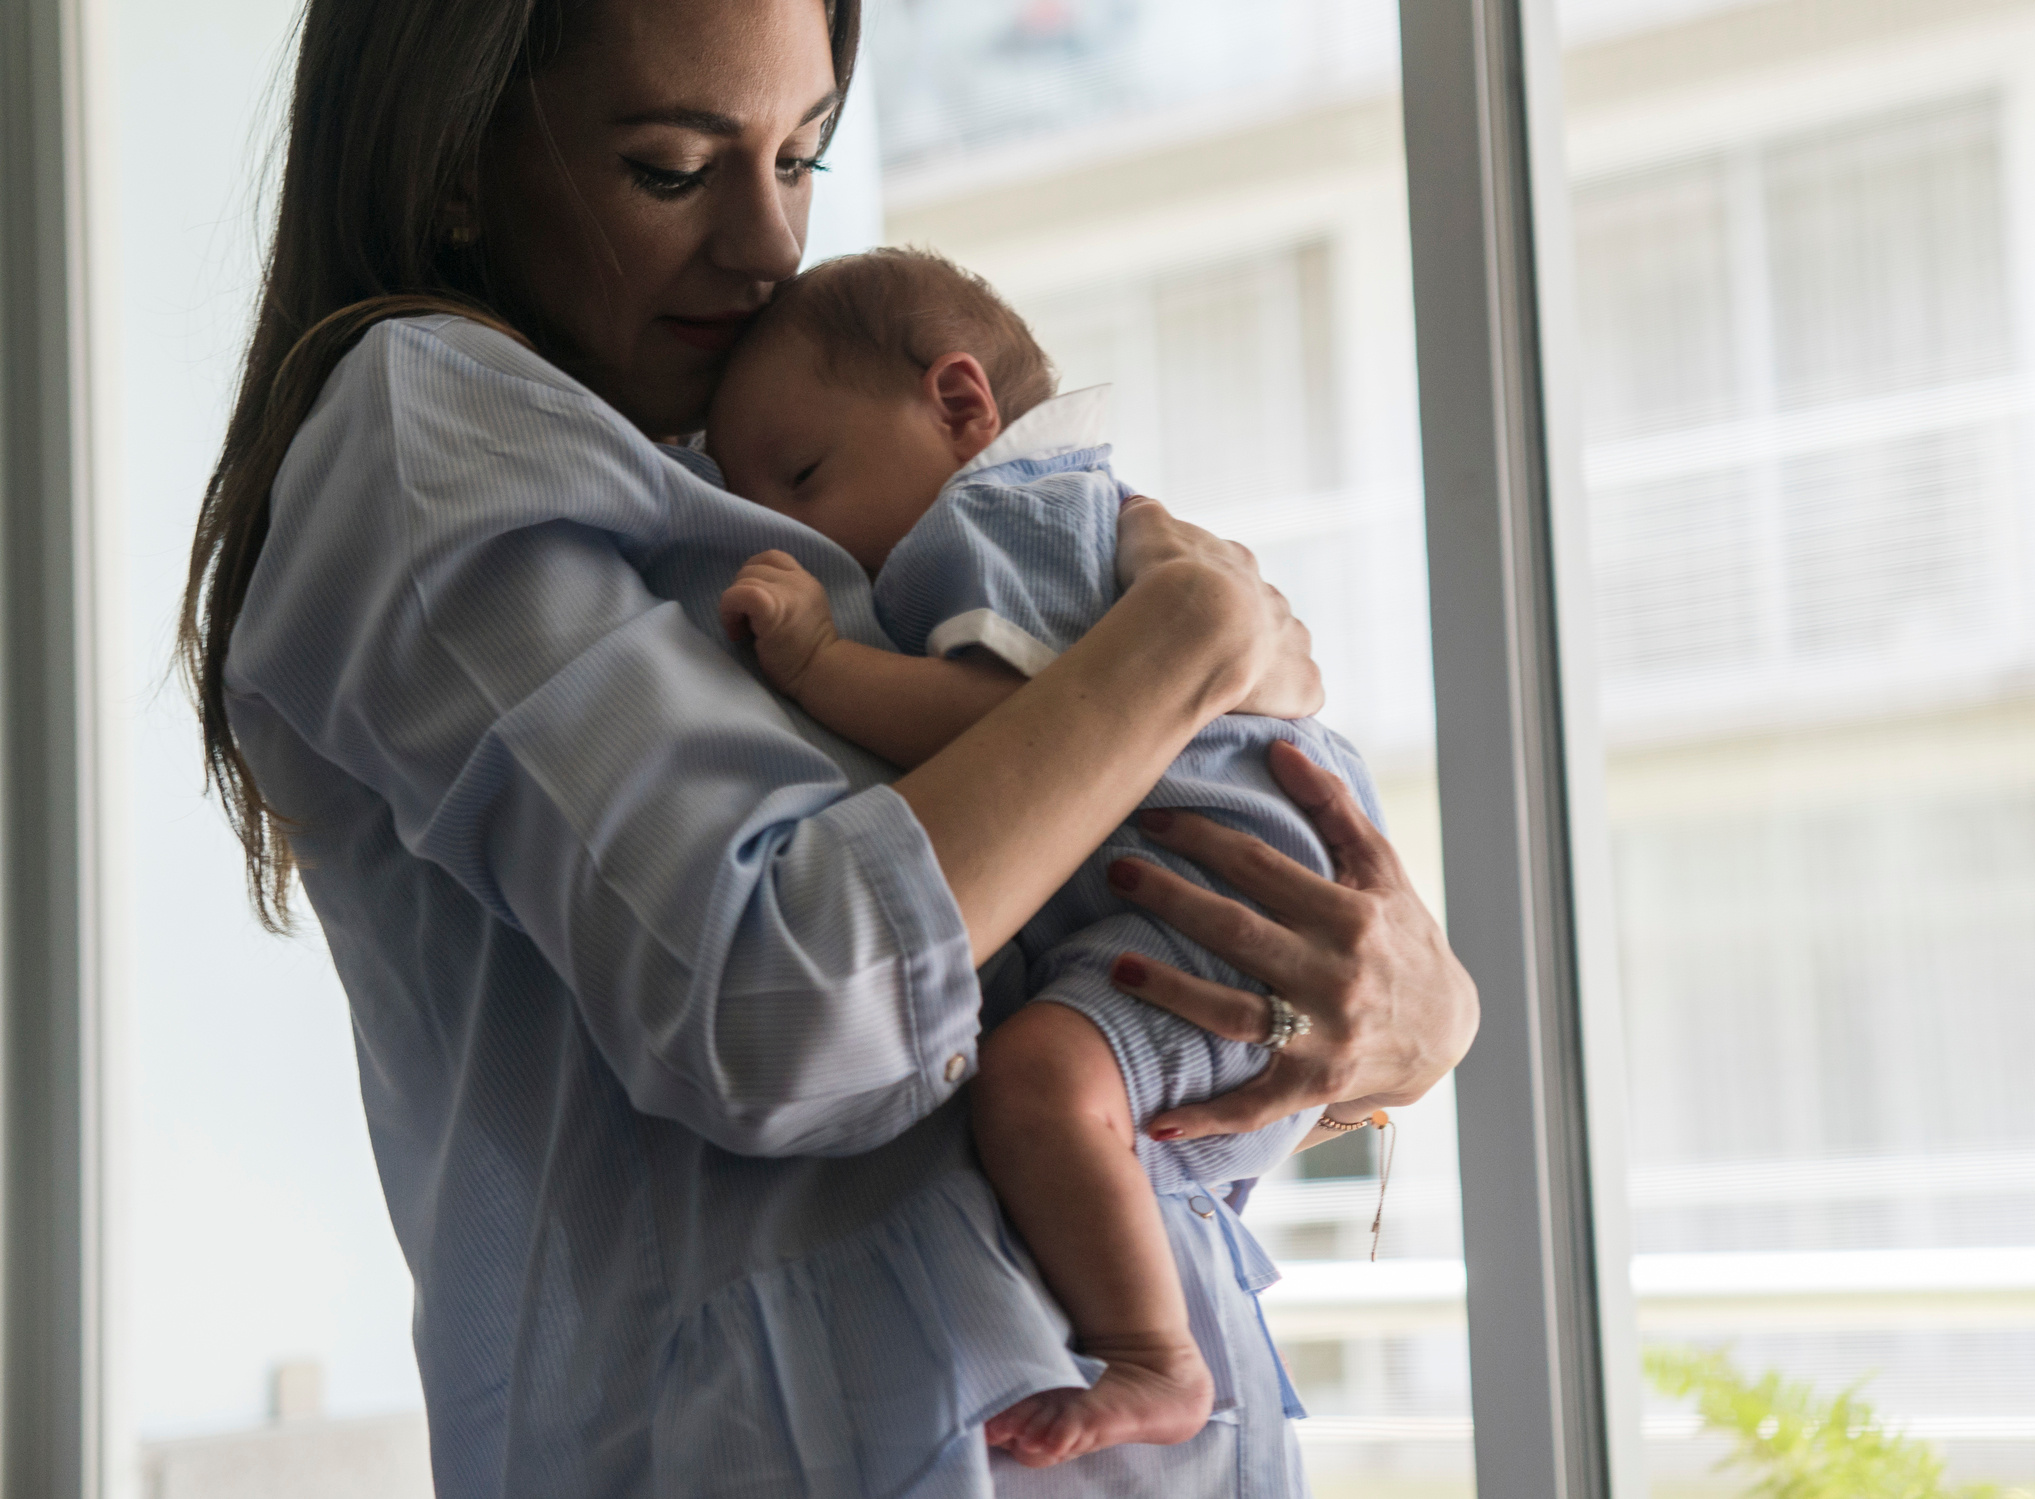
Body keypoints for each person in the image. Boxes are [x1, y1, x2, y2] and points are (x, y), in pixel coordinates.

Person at [176, 1, 1479, 1495]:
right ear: (457, 166)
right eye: (672, 168)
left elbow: (1049, 981)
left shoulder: (741, 464)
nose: (770, 246)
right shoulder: (432, 421)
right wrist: (1184, 643)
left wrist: (1396, 1031)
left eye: (801, 157)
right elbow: (783, 1006)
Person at [705, 248, 1398, 1468]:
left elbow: (1016, 732)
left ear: (959, 404)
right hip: (1232, 894)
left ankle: (1155, 1356)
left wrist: (817, 663)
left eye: (804, 476)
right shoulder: (1059, 509)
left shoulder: (1001, 514)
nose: (791, 527)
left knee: (1036, 1080)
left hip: (1220, 896)